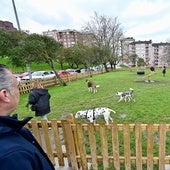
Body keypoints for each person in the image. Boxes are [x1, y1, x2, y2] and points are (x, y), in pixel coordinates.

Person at [0, 64, 55, 170]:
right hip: (45, 108)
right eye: (17, 86)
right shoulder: (12, 156)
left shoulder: (13, 151)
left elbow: (32, 100)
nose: (18, 91)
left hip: (40, 108)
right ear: (5, 95)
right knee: (44, 118)